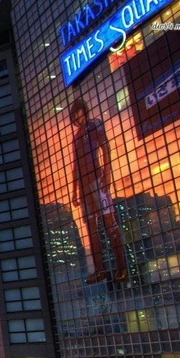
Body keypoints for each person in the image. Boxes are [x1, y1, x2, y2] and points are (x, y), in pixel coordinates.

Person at [70, 98, 128, 284]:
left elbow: (106, 148)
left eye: (78, 114)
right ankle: (100, 270)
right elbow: (75, 166)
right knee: (91, 228)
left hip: (97, 179)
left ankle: (122, 267)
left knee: (109, 221)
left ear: (83, 111)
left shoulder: (95, 125)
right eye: (74, 116)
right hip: (85, 187)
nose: (77, 119)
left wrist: (108, 174)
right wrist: (74, 190)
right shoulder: (77, 136)